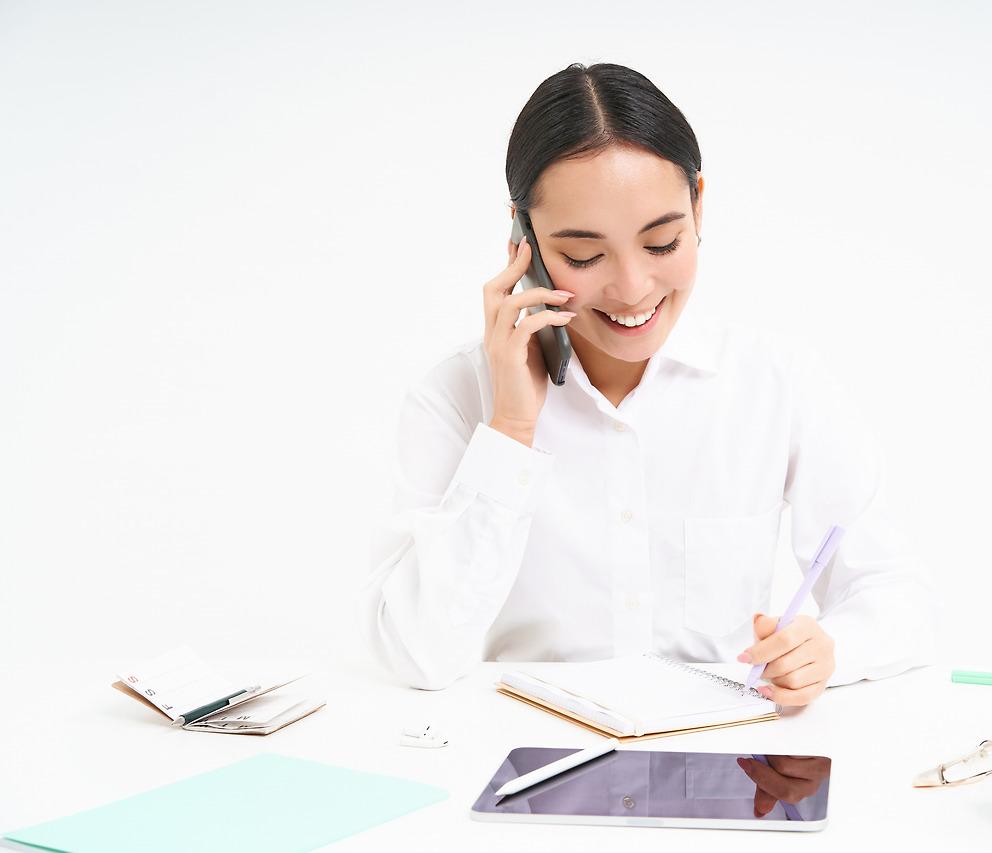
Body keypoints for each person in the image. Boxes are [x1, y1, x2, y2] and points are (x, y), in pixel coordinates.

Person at [360, 63, 936, 705]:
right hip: (533, 746)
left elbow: (897, 597)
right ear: (525, 239)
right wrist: (511, 432)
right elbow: (417, 653)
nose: (633, 288)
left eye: (661, 243)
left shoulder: (777, 384)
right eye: (583, 256)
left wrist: (830, 650)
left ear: (698, 205)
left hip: (720, 746)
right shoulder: (455, 397)